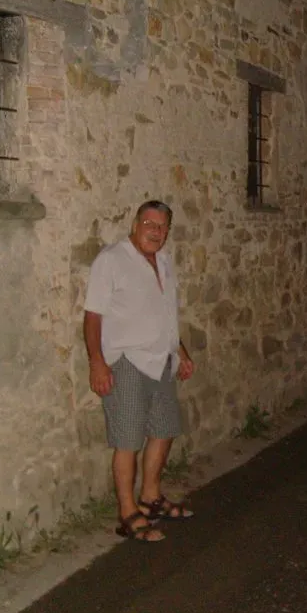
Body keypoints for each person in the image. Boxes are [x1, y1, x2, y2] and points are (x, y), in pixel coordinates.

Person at [84, 200, 195, 544]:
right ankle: (128, 512)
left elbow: (165, 314)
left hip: (161, 360)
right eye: (149, 224)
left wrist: (180, 351)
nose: (156, 232)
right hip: (127, 361)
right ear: (135, 224)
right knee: (128, 440)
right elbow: (93, 316)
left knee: (164, 430)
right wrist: (97, 362)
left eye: (162, 227)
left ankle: (150, 497)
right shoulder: (112, 260)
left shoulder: (164, 261)